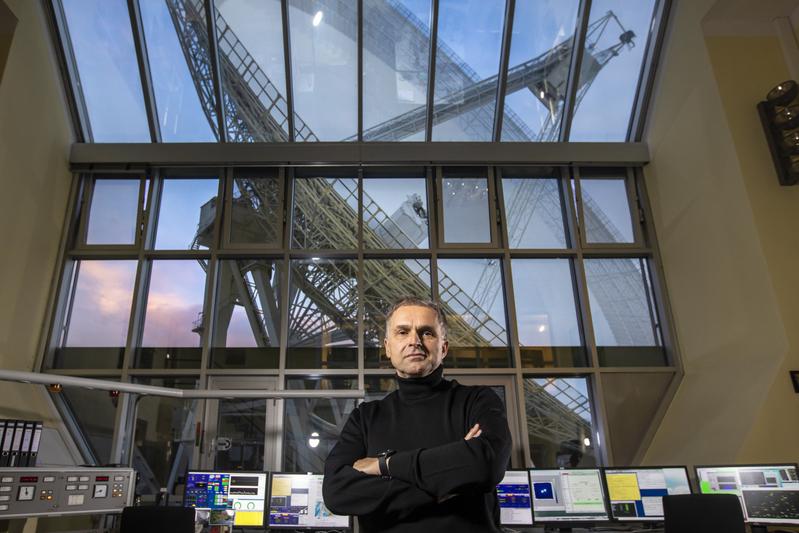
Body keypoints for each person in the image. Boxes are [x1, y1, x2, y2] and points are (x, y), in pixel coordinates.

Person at [322, 297, 512, 532]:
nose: (414, 341)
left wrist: (385, 465)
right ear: (388, 347)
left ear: (443, 348)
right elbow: (337, 492)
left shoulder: (478, 401)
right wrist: (446, 481)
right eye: (402, 332)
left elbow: (486, 465)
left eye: (427, 333)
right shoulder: (365, 418)